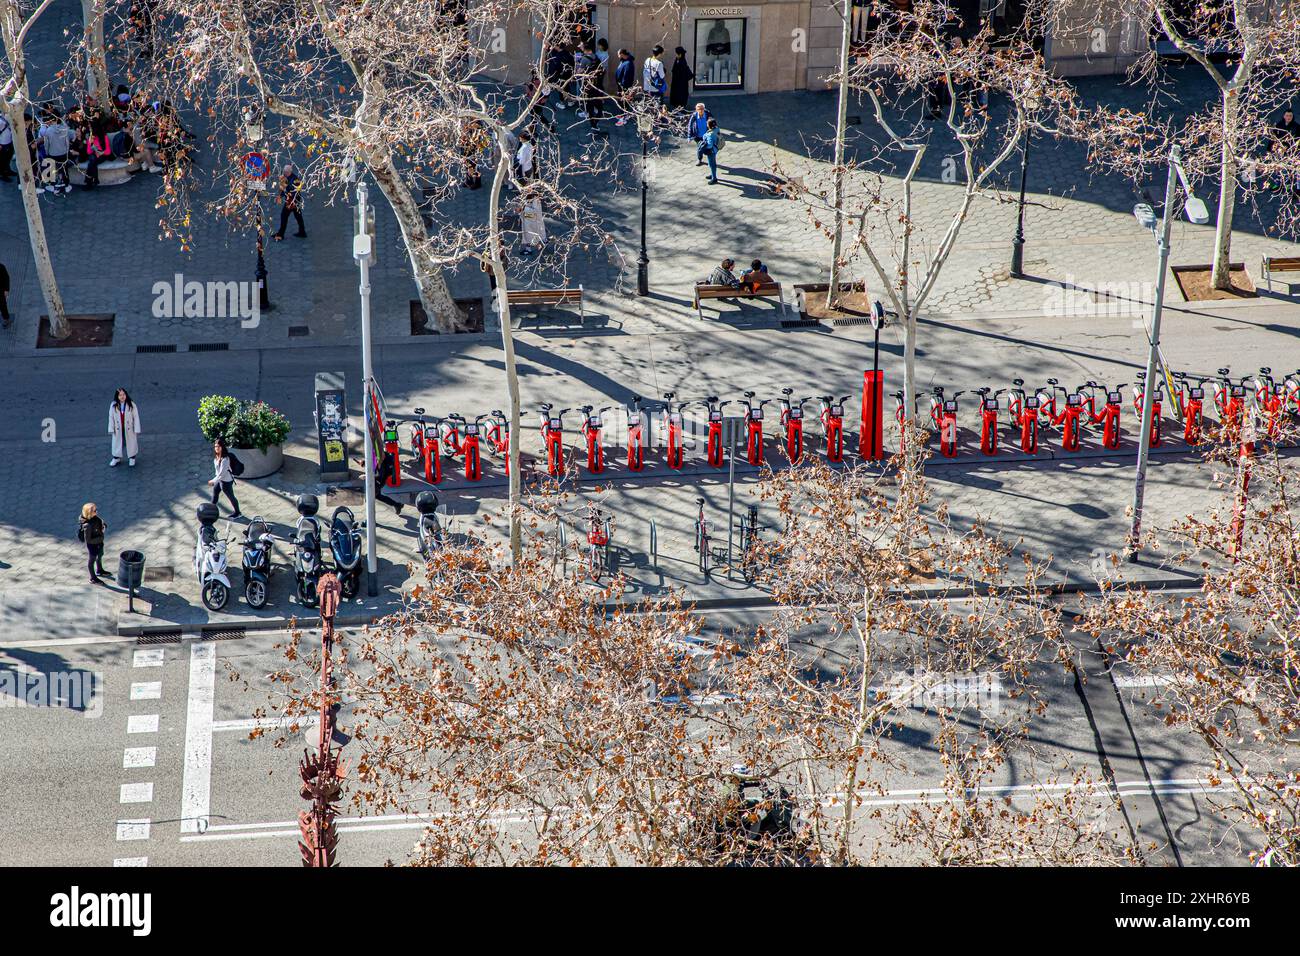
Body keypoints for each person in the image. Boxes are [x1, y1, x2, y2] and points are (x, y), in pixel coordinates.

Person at [37, 107, 73, 194]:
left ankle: (54, 186)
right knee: (64, 169)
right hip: (64, 153)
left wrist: (47, 152)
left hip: (53, 154)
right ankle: (66, 185)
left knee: (53, 170)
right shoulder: (64, 128)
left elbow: (46, 144)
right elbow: (67, 141)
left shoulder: (48, 131)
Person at [209, 438, 241, 518]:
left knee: (231, 497)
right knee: (215, 494)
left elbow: (222, 474)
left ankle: (238, 513)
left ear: (222, 447)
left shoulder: (225, 459)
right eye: (215, 446)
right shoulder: (217, 456)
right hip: (220, 480)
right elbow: (218, 473)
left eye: (219, 446)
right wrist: (215, 480)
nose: (217, 448)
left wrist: (213, 481)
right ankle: (210, 511)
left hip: (226, 481)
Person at [109, 388, 141, 467]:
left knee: (131, 443)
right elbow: (111, 417)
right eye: (120, 395)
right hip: (118, 429)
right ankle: (116, 458)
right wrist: (111, 428)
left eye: (123, 394)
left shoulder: (131, 404)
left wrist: (137, 428)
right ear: (117, 396)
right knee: (117, 443)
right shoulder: (113, 405)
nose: (122, 396)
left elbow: (136, 417)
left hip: (129, 428)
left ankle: (132, 458)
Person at [273, 163, 306, 240]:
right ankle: (302, 232)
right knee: (298, 216)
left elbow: (295, 191)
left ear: (288, 172)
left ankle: (281, 234)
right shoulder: (287, 178)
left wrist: (288, 196)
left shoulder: (295, 179)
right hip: (293, 201)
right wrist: (280, 196)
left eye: (284, 171)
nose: (283, 173)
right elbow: (284, 188)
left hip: (293, 201)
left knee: (284, 216)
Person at [78, 503, 108, 585]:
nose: (97, 511)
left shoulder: (95, 518)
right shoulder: (87, 526)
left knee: (100, 554)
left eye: (96, 509)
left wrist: (104, 525)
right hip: (93, 545)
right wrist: (100, 538)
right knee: (92, 560)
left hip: (99, 542)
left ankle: (100, 570)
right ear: (89, 513)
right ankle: (93, 578)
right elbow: (88, 540)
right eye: (95, 510)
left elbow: (101, 522)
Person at [374, 448, 404, 516]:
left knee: (374, 495)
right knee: (376, 495)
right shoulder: (376, 450)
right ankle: (397, 504)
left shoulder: (377, 456)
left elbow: (379, 474)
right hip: (382, 475)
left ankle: (397, 504)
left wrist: (366, 476)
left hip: (380, 478)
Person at [614, 49, 636, 125]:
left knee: (624, 102)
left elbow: (626, 77)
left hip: (624, 87)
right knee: (622, 101)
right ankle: (624, 115)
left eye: (618, 54)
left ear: (622, 54)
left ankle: (623, 119)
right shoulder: (623, 60)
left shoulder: (629, 63)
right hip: (621, 86)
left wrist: (623, 89)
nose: (618, 56)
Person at [701, 117, 721, 184]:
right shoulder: (717, 129)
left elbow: (709, 145)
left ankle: (714, 178)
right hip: (715, 149)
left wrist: (704, 146)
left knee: (712, 164)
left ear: (709, 125)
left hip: (711, 151)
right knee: (711, 163)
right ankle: (712, 174)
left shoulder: (709, 134)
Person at [0, 109, 14, 183]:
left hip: (9, 141)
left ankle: (8, 170)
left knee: (8, 157)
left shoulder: (7, 117)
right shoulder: (0, 121)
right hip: (2, 143)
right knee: (2, 160)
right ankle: (2, 174)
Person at [0, 260, 9, 328]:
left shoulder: (1, 267)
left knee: (2, 305)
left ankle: (6, 319)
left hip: (1, 290)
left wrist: (6, 290)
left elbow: (6, 278)